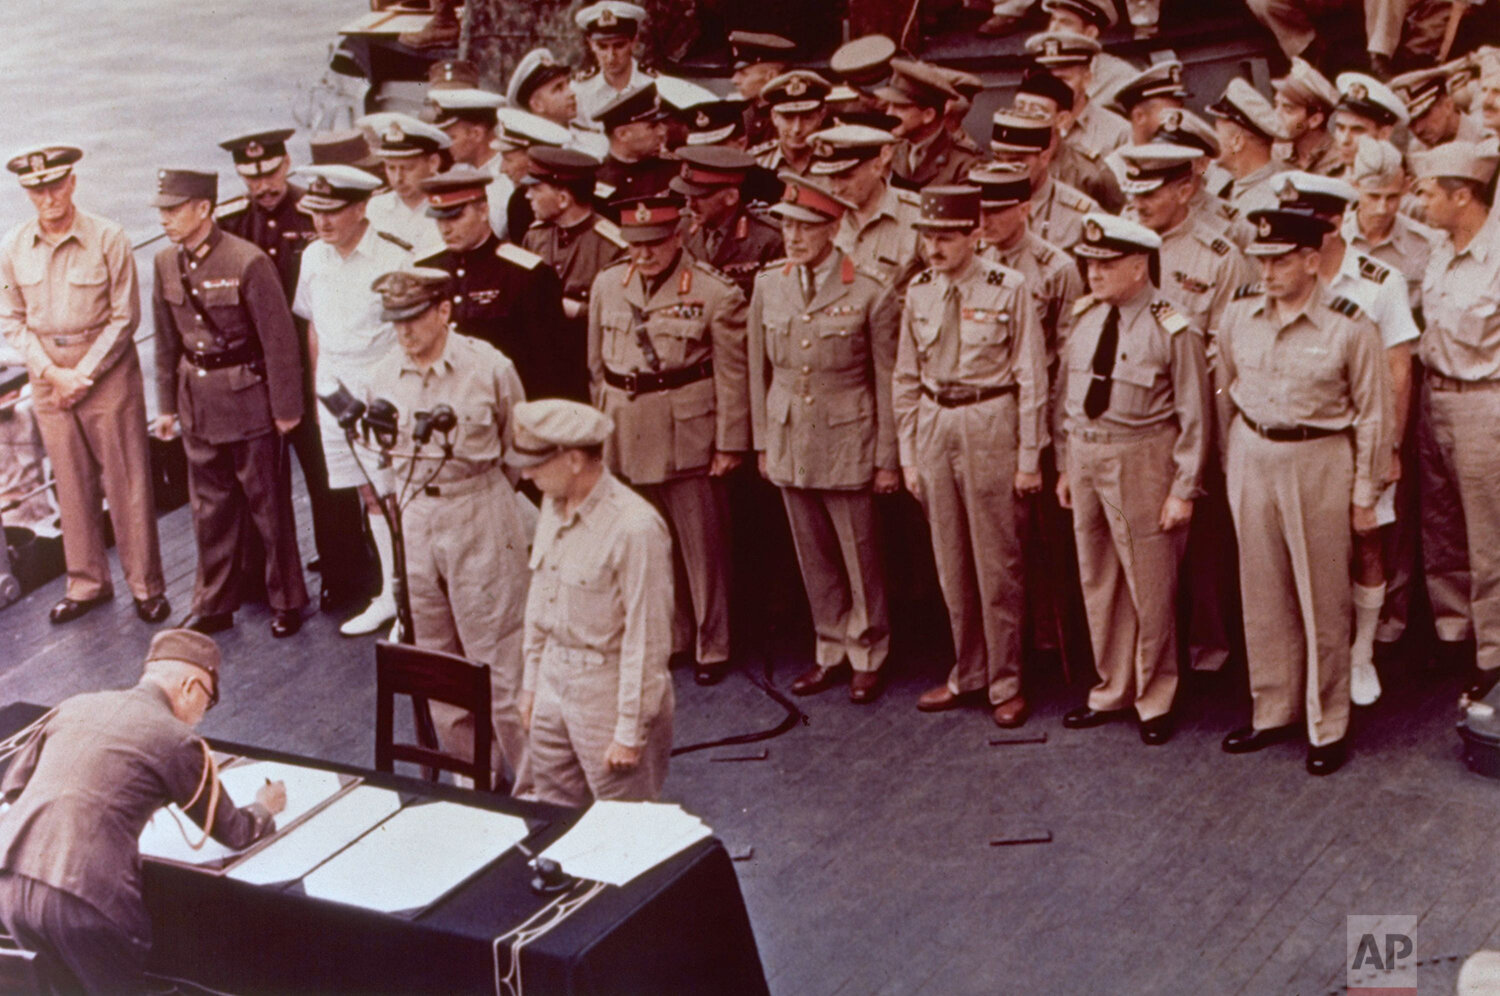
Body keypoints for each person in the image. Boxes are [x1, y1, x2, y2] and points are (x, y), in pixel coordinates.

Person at [0, 629, 286, 994]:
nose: (202, 716)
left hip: (10, 882)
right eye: (208, 702)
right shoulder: (176, 738)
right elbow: (235, 831)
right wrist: (265, 805)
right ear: (190, 686)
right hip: (85, 899)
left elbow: (14, 787)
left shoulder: (76, 704)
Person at [1218, 208, 1387, 776]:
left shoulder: (1349, 324)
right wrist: (1230, 463)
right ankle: (1274, 709)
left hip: (1318, 458)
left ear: (1313, 261)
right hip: (1253, 451)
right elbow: (1227, 387)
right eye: (1261, 259)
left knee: (1322, 597)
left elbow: (1370, 416)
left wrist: (1364, 494)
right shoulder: (1239, 313)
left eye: (1281, 260)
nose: (1267, 271)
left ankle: (1327, 721)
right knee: (1261, 593)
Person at [365, 267, 534, 787]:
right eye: (395, 321)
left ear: (444, 311)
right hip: (415, 518)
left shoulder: (489, 368)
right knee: (436, 656)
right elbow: (383, 460)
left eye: (414, 318)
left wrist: (485, 497)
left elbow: (518, 448)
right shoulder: (381, 375)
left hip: (479, 508)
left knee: (500, 656)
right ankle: (473, 775)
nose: (404, 331)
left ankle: (535, 784)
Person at [894, 185, 1047, 728]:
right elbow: (906, 377)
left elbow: (1031, 375)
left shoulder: (1010, 287)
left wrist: (1029, 456)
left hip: (989, 418)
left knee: (997, 559)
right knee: (950, 558)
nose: (935, 248)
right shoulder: (919, 291)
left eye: (947, 237)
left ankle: (1007, 679)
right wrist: (909, 455)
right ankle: (968, 670)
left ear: (975, 234)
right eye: (928, 237)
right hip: (937, 419)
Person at [1056, 214, 1209, 744]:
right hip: (1089, 459)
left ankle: (1156, 695)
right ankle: (1112, 687)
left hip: (1140, 463)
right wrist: (1064, 465)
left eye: (1107, 263)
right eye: (1090, 263)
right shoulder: (1086, 316)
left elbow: (1194, 415)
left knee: (1149, 580)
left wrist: (1183, 488)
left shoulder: (1173, 325)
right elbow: (1066, 397)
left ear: (1139, 266)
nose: (1094, 273)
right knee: (1099, 577)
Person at [0, 145, 168, 626]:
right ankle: (87, 582)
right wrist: (55, 375)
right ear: (25, 191)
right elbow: (12, 322)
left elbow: (124, 318)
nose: (48, 196)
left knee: (127, 481)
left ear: (72, 182)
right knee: (71, 484)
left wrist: (83, 374)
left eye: (55, 184)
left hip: (107, 370)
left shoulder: (108, 238)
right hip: (49, 373)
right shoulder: (13, 246)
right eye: (36, 188)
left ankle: (146, 585)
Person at [747, 174, 899, 703]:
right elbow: (755, 370)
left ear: (834, 227)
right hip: (791, 434)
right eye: (787, 225)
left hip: (847, 434)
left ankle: (868, 651)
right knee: (812, 553)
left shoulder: (869, 288)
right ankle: (829, 647)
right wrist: (762, 441)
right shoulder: (769, 284)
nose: (793, 236)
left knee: (860, 553)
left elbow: (886, 378)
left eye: (806, 226)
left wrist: (887, 458)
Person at [587, 194, 749, 686]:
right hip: (625, 427)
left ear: (678, 237)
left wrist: (730, 444)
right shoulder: (608, 284)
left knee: (703, 550)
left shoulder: (714, 292)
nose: (644, 255)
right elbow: (597, 365)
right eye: (635, 245)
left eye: (654, 244)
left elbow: (733, 376)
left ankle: (712, 642)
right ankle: (672, 636)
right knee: (646, 545)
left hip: (685, 432)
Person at [1277, 170, 1420, 705]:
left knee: (1367, 539)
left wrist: (1390, 449)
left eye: (1309, 221)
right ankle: (1314, 657)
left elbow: (1399, 369)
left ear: (1335, 222)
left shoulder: (1380, 281)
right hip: (1305, 436)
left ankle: (1361, 654)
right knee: (1304, 545)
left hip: (1363, 435)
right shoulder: (1288, 275)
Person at [150, 168, 307, 638]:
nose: (165, 220)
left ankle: (287, 598)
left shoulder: (247, 261)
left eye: (174, 210)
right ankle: (214, 602)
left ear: (204, 208)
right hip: (197, 403)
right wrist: (166, 408)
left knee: (268, 507)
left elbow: (279, 344)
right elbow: (165, 342)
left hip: (247, 402)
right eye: (161, 211)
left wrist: (286, 409)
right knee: (208, 509)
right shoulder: (163, 264)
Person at [218, 128, 365, 615]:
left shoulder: (315, 216)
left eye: (271, 172)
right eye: (251, 177)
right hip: (252, 367)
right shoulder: (233, 223)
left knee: (325, 475)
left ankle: (344, 573)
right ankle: (259, 576)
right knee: (254, 480)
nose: (264, 185)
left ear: (285, 164)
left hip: (306, 363)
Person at [515, 399, 674, 807]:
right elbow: (539, 602)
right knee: (553, 814)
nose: (526, 472)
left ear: (572, 459)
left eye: (536, 461)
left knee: (623, 827)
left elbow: (647, 638)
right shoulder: (553, 504)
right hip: (553, 682)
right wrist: (531, 685)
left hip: (604, 690)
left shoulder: (635, 528)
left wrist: (629, 730)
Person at [290, 164, 413, 638]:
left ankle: (412, 604)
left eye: (333, 211)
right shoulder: (314, 257)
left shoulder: (393, 258)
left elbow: (409, 334)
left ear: (362, 207)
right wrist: (321, 388)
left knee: (395, 495)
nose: (322, 222)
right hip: (334, 393)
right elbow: (313, 324)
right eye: (315, 211)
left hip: (381, 391)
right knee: (368, 495)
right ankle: (389, 594)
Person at [1410, 142, 1500, 701]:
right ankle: (1453, 633)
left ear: (1461, 195)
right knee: (1440, 523)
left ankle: (1493, 653)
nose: (1419, 204)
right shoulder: (1441, 249)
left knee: (1488, 533)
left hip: (1482, 401)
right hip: (1433, 396)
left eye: (1427, 193)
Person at [416, 166, 575, 401]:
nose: (446, 229)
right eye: (439, 219)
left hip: (504, 404)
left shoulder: (526, 273)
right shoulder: (425, 270)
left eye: (455, 216)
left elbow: (550, 366)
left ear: (483, 210)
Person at [811, 123, 923, 287]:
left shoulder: (915, 215)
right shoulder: (820, 216)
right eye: (831, 178)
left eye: (846, 177)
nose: (837, 189)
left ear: (877, 167)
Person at [672, 146, 784, 298]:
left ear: (731, 197)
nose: (690, 205)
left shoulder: (767, 240)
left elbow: (770, 291)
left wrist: (759, 280)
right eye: (688, 196)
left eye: (701, 196)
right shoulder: (680, 228)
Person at [990, 110, 1101, 253]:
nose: (1006, 169)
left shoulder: (1081, 215)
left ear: (1044, 158)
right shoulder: (980, 211)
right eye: (998, 160)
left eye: (1016, 161)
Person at [877, 60, 979, 192]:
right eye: (889, 106)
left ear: (928, 115)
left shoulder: (964, 163)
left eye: (900, 107)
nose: (889, 113)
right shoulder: (889, 151)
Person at [359, 114, 449, 259]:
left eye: (408, 168)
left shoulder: (452, 203)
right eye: (391, 168)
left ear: (433, 163)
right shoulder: (377, 207)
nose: (398, 178)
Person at [506, 48, 610, 160]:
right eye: (558, 88)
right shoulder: (528, 152)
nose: (571, 93)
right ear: (537, 105)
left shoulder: (590, 137)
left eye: (568, 84)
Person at [1207, 78, 1289, 216]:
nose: (1213, 138)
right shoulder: (1223, 177)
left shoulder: (1271, 204)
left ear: (1237, 142)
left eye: (1217, 131)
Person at [593, 83, 679, 211]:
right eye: (652, 126)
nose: (662, 131)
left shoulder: (673, 170)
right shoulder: (595, 181)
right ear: (622, 134)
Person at [572, 1, 655, 125]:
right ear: (591, 44)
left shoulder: (653, 84)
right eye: (602, 47)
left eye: (619, 45)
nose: (611, 56)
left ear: (634, 42)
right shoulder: (579, 89)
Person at [1328, 73, 1407, 179]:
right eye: (1340, 128)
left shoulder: (1395, 186)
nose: (1345, 140)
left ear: (1384, 134)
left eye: (1357, 130)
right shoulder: (1330, 178)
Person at [754, 71, 832, 178]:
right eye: (788, 118)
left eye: (807, 118)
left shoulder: (834, 157)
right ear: (774, 116)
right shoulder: (757, 163)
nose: (797, 129)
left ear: (822, 116)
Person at [1271, 58, 1342, 175]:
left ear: (1314, 120)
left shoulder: (1340, 158)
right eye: (1275, 105)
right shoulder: (1279, 153)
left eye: (1288, 109)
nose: (1276, 115)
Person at [729, 30, 796, 149]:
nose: (734, 80)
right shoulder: (749, 113)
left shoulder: (791, 117)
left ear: (771, 76)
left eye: (743, 73)